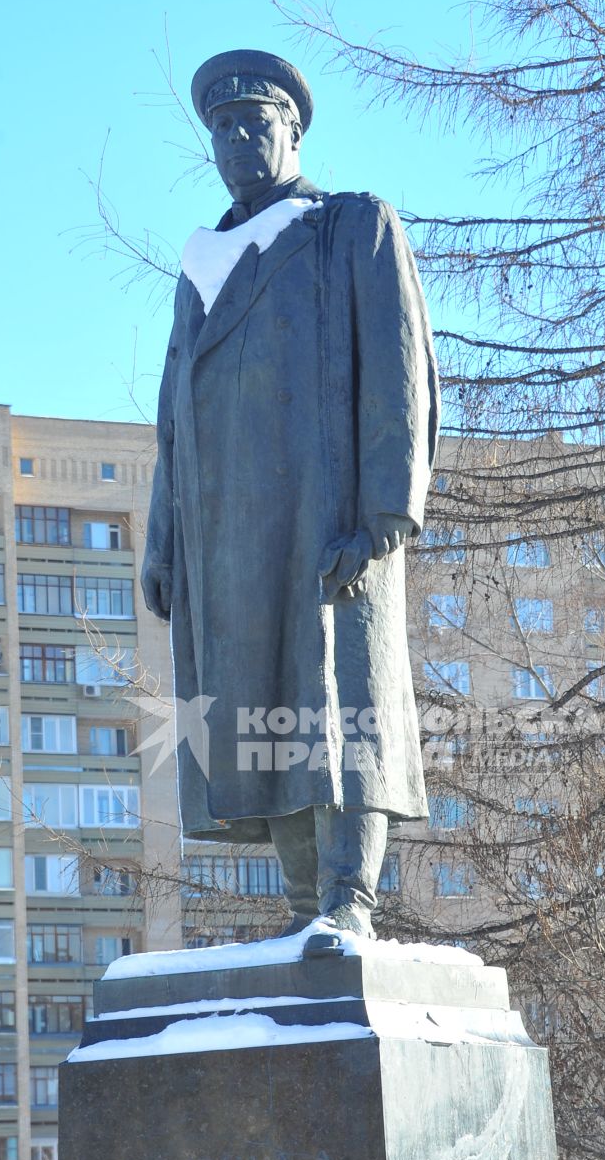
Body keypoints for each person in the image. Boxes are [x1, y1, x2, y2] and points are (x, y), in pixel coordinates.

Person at [141, 49, 439, 947]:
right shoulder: (202, 264)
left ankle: (349, 900)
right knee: (254, 704)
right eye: (221, 129)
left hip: (325, 518)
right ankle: (303, 908)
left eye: (253, 122)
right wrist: (165, 541)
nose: (237, 139)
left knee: (339, 703)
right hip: (228, 531)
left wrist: (383, 517)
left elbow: (402, 375)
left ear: (292, 131)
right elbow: (172, 417)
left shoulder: (348, 226)